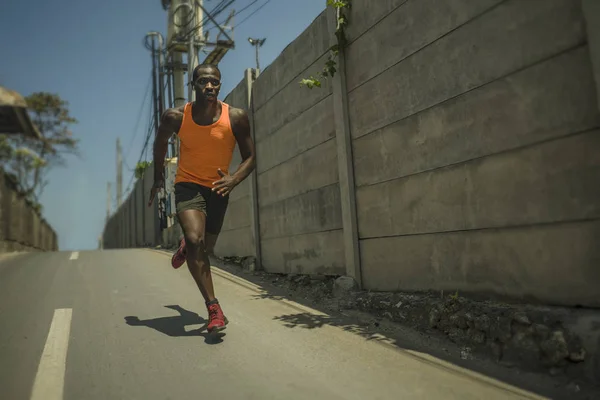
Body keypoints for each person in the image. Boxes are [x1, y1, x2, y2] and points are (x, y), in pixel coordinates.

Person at [148, 63, 256, 333]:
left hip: (219, 188)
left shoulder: (236, 117)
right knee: (197, 242)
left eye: (215, 82)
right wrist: (159, 177)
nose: (209, 86)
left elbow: (251, 157)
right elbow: (160, 144)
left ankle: (187, 245)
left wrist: (233, 180)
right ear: (193, 85)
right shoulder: (175, 117)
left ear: (220, 85)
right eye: (203, 82)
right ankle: (214, 308)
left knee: (204, 248)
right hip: (188, 185)